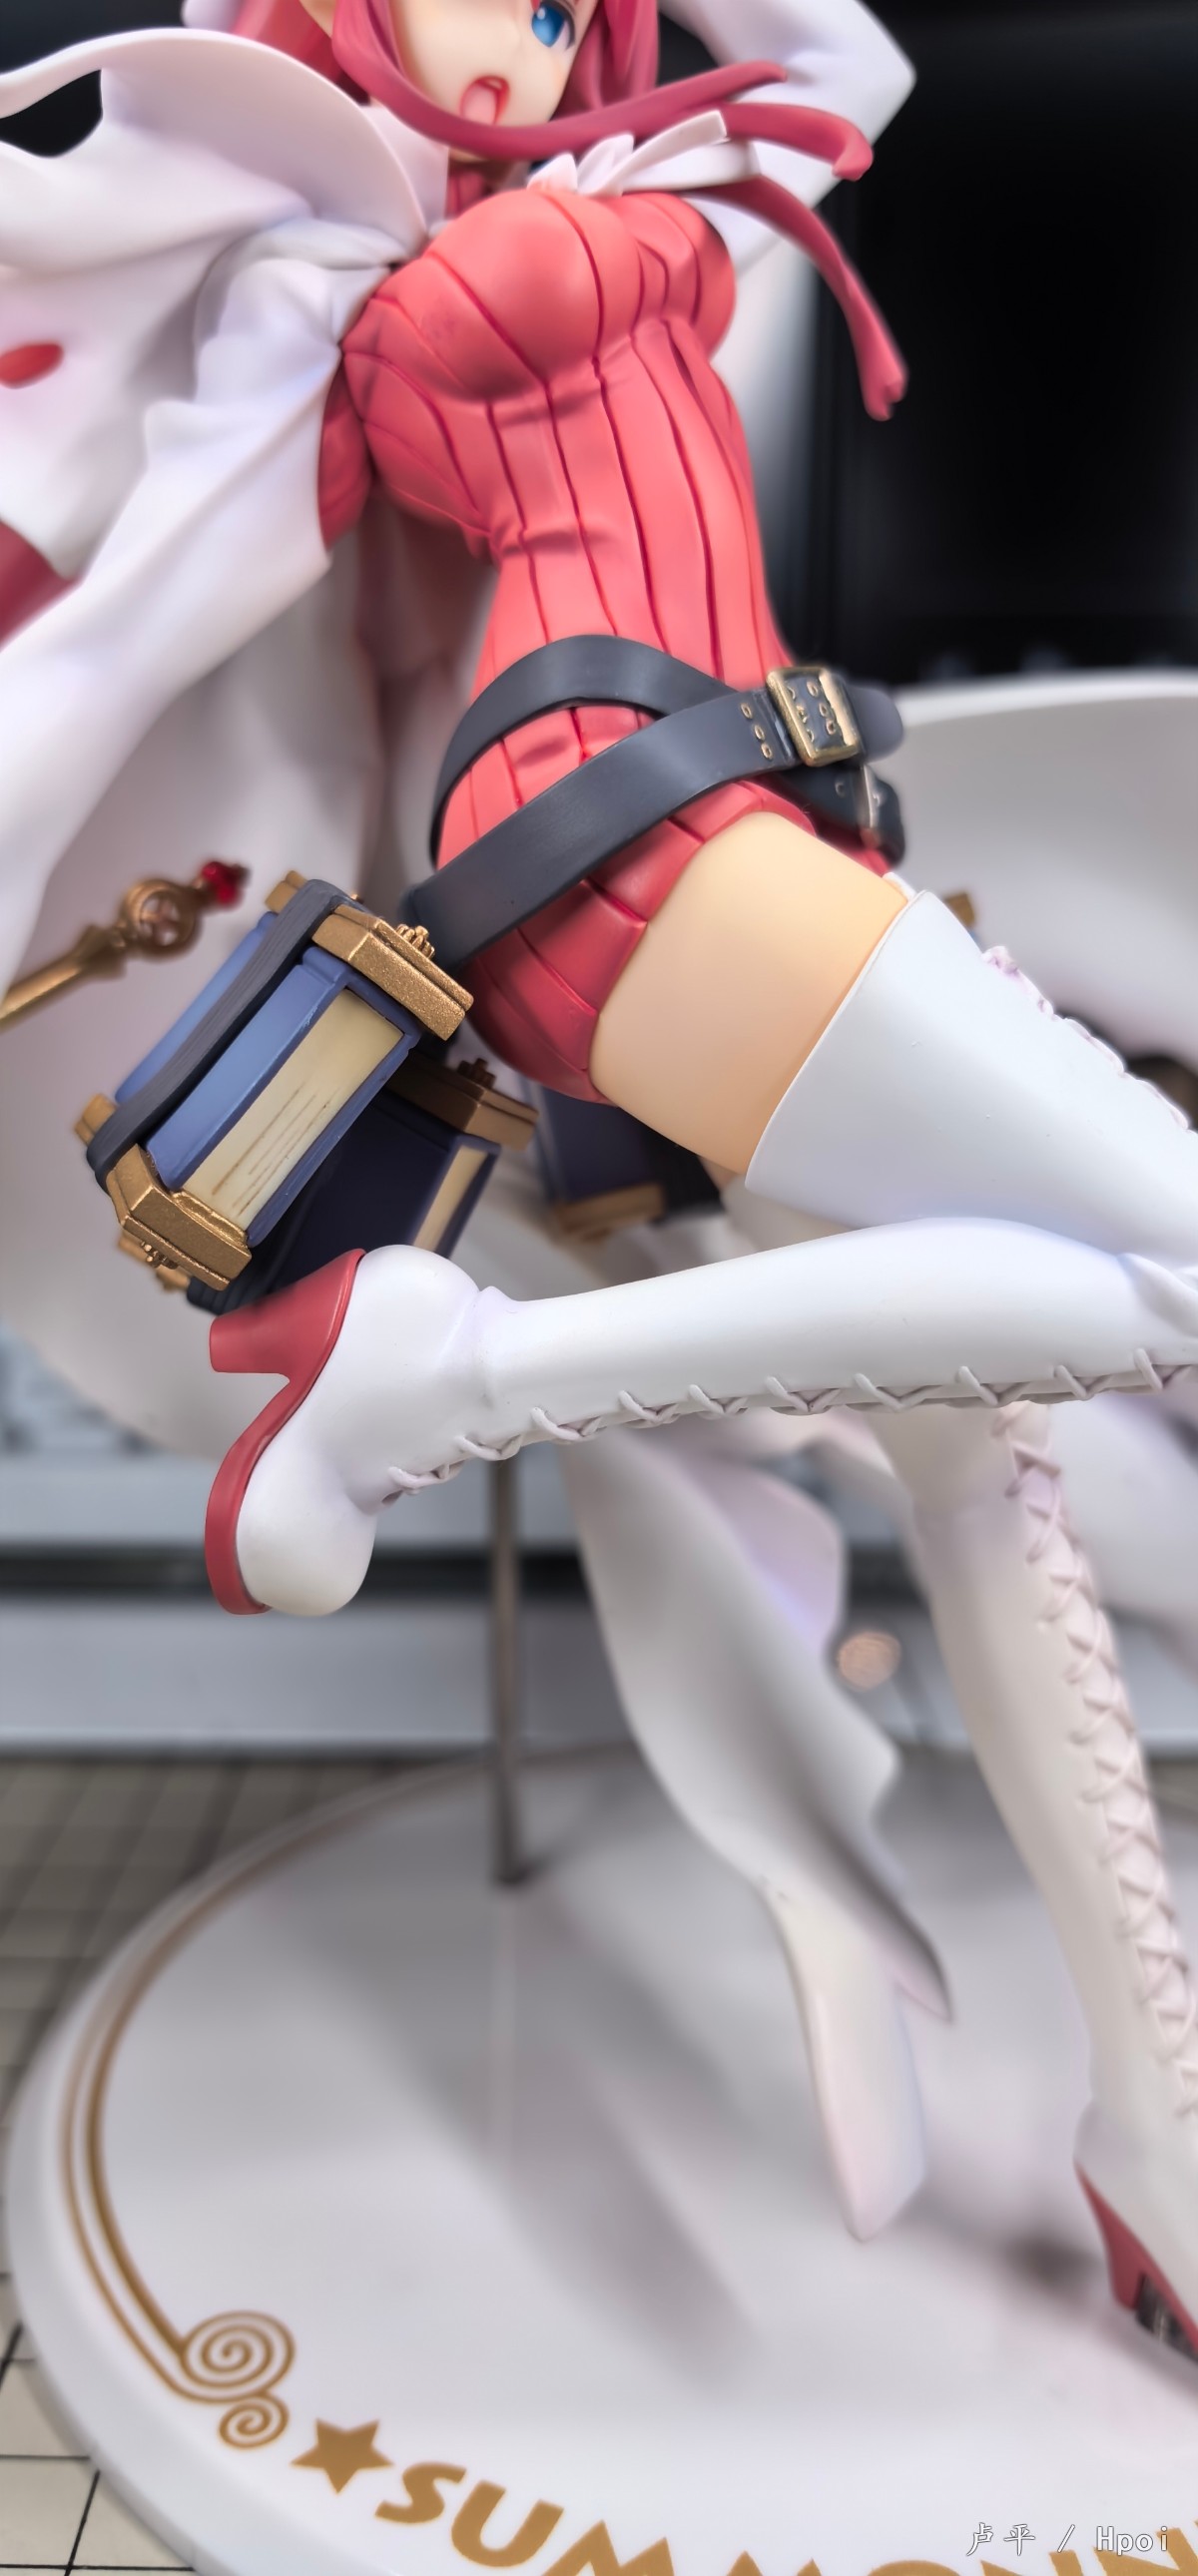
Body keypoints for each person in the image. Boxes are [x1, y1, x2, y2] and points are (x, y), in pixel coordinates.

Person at [4, 0, 1198, 2358]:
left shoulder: (663, 163)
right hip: (611, 829)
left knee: (986, 1442)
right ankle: (439, 1380)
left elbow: (850, 62)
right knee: (1169, 1260)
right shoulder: (317, 258)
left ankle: (1154, 2119)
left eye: (564, 3)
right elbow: (151, 618)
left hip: (770, 815)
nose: (527, 38)